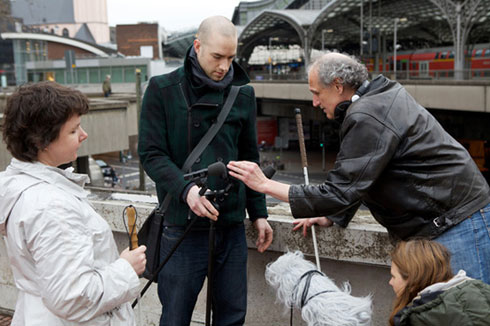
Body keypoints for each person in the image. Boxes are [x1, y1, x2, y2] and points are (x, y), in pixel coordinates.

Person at [227, 51, 490, 284]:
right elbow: (366, 174)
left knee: (465, 314)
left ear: (338, 85)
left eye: (316, 93)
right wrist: (335, 216)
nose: (315, 103)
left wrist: (264, 185)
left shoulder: (367, 115)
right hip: (451, 220)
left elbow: (339, 192)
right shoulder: (379, 97)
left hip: (457, 224)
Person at [138, 16, 273, 326]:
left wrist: (259, 213)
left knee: (232, 316)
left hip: (230, 224)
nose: (225, 66)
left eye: (231, 57)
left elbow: (249, 160)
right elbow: (150, 153)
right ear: (197, 46)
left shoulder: (243, 94)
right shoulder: (162, 88)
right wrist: (186, 191)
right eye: (217, 56)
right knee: (175, 316)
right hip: (181, 225)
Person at [0, 82, 147, 325]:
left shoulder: (21, 188)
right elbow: (72, 297)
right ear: (41, 142)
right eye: (73, 130)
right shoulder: (51, 206)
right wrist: (126, 268)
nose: (84, 134)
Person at [388, 240, 490, 325]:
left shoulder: (421, 318)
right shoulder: (480, 289)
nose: (390, 282)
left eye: (393, 276)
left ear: (412, 279)